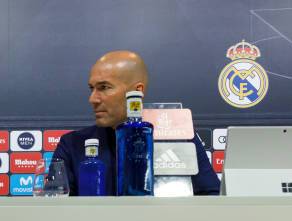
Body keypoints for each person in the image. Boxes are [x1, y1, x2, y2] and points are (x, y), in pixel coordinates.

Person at [53, 51, 220, 196]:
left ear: (137, 91)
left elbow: (211, 197)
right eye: (92, 88)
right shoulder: (72, 145)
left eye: (104, 87)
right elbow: (55, 208)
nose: (93, 99)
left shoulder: (179, 138)